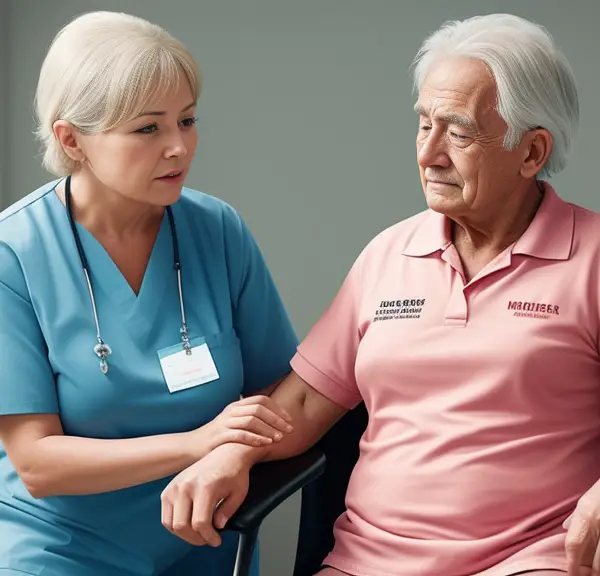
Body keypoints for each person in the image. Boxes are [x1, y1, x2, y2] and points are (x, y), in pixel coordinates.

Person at [160, 13, 600, 576]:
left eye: (459, 133)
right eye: (423, 125)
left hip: (529, 561)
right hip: (366, 562)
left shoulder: (589, 260)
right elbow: (299, 404)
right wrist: (231, 453)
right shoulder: (388, 255)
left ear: (532, 152)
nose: (429, 153)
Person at [0, 10, 298, 576]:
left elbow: (280, 388)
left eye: (187, 120)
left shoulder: (217, 229)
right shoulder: (13, 255)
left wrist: (233, 454)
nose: (178, 148)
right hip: (61, 549)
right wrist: (198, 442)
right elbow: (38, 463)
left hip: (207, 540)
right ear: (72, 139)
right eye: (147, 128)